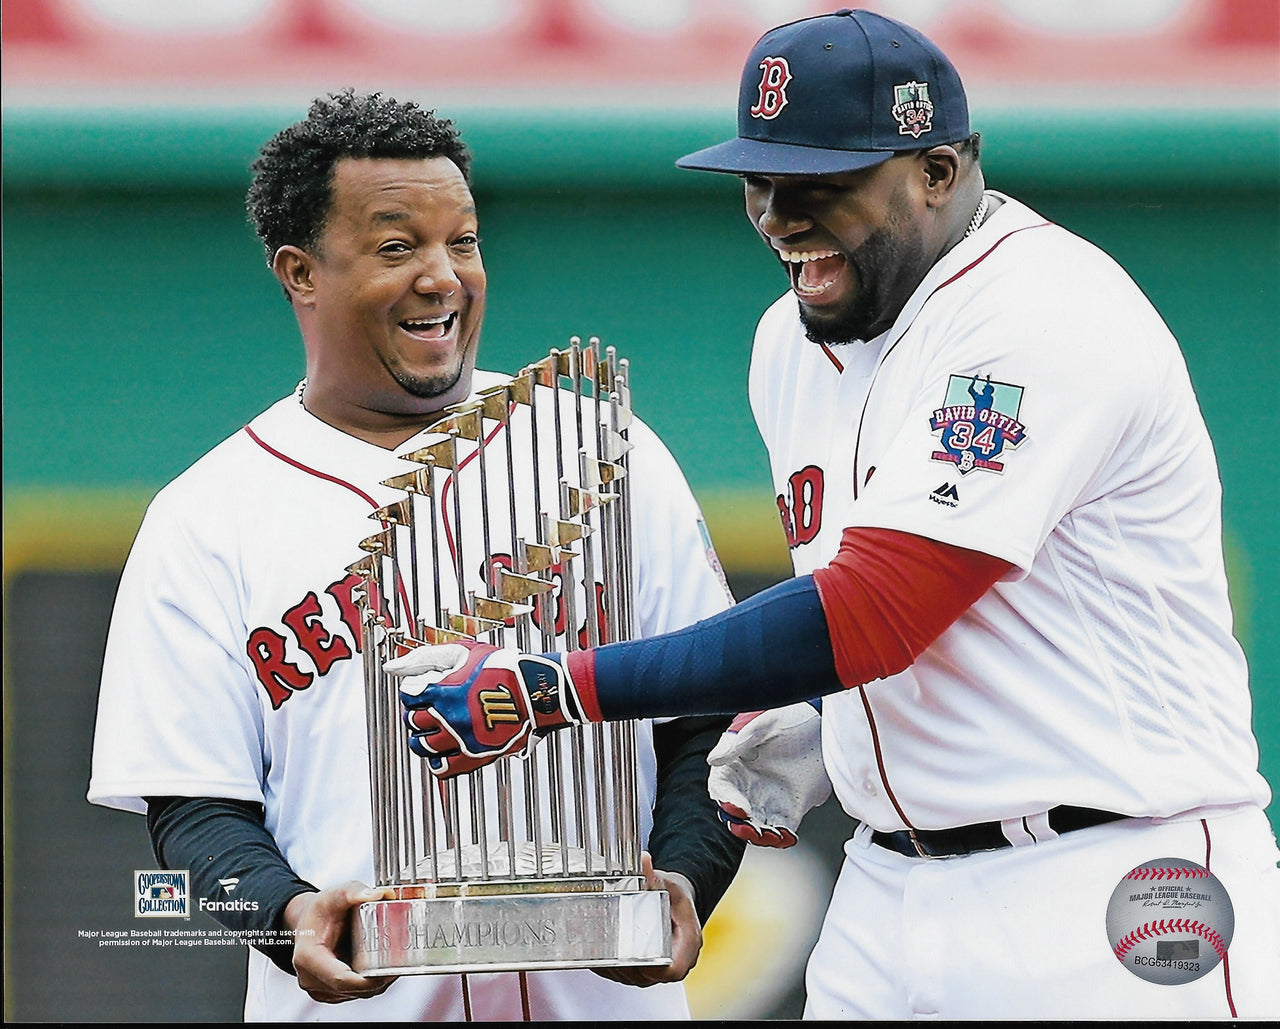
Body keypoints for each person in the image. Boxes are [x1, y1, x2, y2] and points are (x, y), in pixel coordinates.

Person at [388, 10, 1280, 1020]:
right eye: (759, 183)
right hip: (886, 892)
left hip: (1104, 881)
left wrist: (549, 687)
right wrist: (829, 727)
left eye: (821, 185)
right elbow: (937, 622)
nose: (778, 215)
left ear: (938, 169)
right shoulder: (788, 340)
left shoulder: (1041, 311)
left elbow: (876, 611)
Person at [87, 89, 744, 1022]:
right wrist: (286, 916)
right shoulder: (206, 515)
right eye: (398, 247)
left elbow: (710, 721)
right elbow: (196, 810)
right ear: (300, 271)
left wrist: (684, 875)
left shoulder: (601, 447)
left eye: (462, 242)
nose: (443, 276)